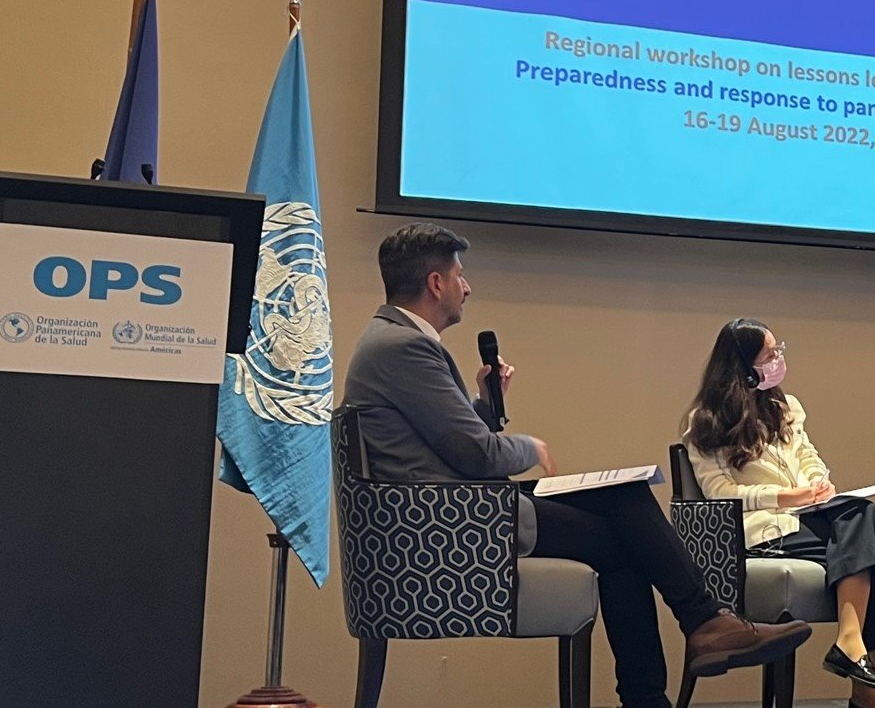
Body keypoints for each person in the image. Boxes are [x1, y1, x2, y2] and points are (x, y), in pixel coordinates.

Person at [341, 224, 811, 708]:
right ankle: (695, 636)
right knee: (625, 529)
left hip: (454, 509)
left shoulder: (390, 341)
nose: (468, 286)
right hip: (454, 524)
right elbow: (478, 456)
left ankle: (694, 639)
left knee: (625, 500)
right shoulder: (406, 347)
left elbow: (446, 443)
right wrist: (530, 447)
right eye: (460, 275)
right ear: (436, 283)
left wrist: (486, 404)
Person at [684, 318, 875, 708]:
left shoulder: (785, 407)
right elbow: (720, 492)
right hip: (762, 531)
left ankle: (850, 645)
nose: (778, 360)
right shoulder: (707, 420)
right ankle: (864, 686)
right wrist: (784, 497)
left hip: (807, 517)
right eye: (769, 355)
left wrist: (819, 481)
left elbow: (808, 456)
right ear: (742, 366)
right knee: (873, 558)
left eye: (778, 351)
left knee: (863, 514)